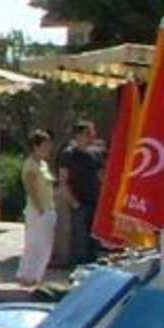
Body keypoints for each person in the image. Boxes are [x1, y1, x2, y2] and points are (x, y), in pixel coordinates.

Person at [57, 119, 103, 266]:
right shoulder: (68, 154)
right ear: (78, 135)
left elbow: (101, 176)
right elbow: (63, 180)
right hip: (79, 202)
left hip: (95, 200)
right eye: (87, 133)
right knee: (80, 237)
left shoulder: (95, 153)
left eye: (92, 133)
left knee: (94, 237)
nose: (91, 136)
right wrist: (74, 203)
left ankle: (92, 262)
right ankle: (78, 264)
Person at [18, 129, 58, 284]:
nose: (48, 148)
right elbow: (30, 188)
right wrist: (40, 208)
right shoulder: (31, 165)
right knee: (35, 243)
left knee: (45, 245)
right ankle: (28, 275)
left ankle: (35, 275)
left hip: (48, 207)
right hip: (38, 209)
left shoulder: (43, 164)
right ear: (36, 146)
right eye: (45, 145)